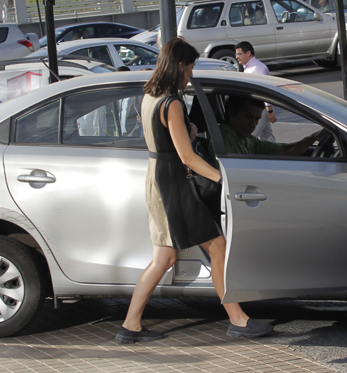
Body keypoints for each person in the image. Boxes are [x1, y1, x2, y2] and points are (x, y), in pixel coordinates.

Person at [116, 38, 273, 344]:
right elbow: (187, 157)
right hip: (174, 182)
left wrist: (186, 130)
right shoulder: (172, 103)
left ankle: (131, 324)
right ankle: (238, 320)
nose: (191, 74)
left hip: (158, 177)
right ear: (178, 66)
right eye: (190, 67)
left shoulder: (150, 96)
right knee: (216, 247)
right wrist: (223, 179)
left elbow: (165, 139)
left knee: (165, 257)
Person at [220, 96, 325, 156]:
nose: (253, 124)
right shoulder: (224, 139)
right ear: (232, 113)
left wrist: (314, 137)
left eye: (257, 119)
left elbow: (286, 150)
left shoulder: (248, 140)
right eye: (248, 117)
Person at [234, 41, 276, 141]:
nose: (236, 57)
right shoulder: (248, 67)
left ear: (248, 53)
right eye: (236, 54)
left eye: (239, 54)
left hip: (260, 109)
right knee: (267, 137)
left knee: (249, 137)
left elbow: (265, 90)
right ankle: (276, 154)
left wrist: (269, 110)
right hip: (256, 108)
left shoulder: (258, 68)